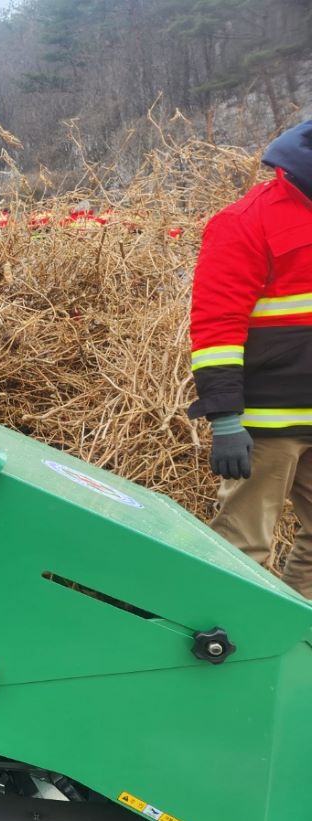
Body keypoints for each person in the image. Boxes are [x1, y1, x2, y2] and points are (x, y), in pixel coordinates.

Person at [189, 119, 312, 598]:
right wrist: (224, 421)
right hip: (264, 424)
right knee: (243, 548)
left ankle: (298, 642)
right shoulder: (245, 221)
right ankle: (231, 658)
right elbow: (215, 328)